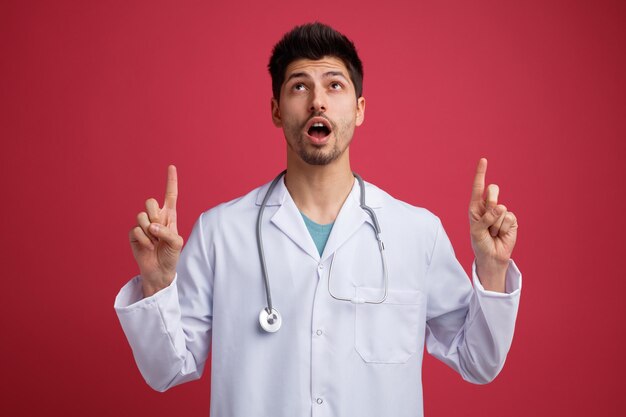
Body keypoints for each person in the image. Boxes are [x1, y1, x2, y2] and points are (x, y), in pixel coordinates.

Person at [115, 22, 521, 417]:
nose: (317, 101)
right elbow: (166, 370)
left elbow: (478, 362)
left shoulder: (416, 233)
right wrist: (156, 281)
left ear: (359, 109)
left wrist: (492, 268)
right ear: (276, 110)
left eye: (334, 84)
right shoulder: (221, 232)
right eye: (299, 86)